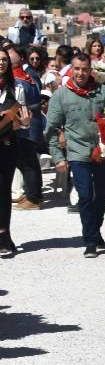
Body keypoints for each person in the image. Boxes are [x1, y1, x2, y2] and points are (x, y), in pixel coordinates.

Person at [47, 54, 105, 257]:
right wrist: (58, 157)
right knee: (85, 196)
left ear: (90, 70)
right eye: (76, 69)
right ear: (71, 70)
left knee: (103, 197)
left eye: (84, 69)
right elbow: (51, 129)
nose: (80, 73)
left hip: (103, 153)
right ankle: (91, 241)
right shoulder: (61, 96)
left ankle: (94, 230)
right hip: (78, 153)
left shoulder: (103, 92)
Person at [0, 51, 32, 258]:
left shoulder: (17, 89)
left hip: (7, 145)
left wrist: (25, 122)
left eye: (4, 60)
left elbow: (22, 120)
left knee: (3, 190)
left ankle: (3, 235)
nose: (1, 63)